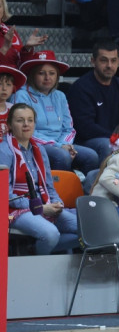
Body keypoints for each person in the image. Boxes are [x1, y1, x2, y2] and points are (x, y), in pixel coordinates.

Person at [0, 103, 78, 255]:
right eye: (20, 120)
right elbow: (6, 195)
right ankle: (36, 258)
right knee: (51, 234)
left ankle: (32, 250)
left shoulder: (40, 149)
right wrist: (39, 208)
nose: (26, 124)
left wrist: (57, 202)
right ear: (9, 124)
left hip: (43, 203)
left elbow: (49, 186)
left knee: (85, 228)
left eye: (30, 120)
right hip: (14, 210)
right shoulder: (4, 150)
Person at [12, 51, 99, 173]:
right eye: (41, 73)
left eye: (52, 73)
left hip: (61, 144)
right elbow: (24, 130)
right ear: (32, 75)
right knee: (62, 156)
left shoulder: (60, 96)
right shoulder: (22, 95)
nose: (47, 78)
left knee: (91, 156)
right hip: (33, 144)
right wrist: (58, 146)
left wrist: (65, 144)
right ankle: (56, 191)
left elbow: (68, 128)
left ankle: (82, 190)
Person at [67, 41, 119, 165]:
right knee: (107, 145)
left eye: (113, 60)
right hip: (86, 141)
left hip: (115, 137)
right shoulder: (81, 87)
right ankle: (104, 182)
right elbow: (85, 127)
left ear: (118, 62)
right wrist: (116, 138)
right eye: (104, 60)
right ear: (93, 61)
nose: (109, 65)